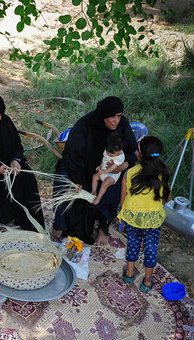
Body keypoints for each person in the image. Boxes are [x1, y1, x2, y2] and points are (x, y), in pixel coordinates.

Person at [51, 96, 137, 245]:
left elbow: (131, 152)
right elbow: (71, 155)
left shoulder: (123, 125)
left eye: (119, 116)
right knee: (62, 179)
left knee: (113, 186)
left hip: (111, 169)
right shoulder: (85, 124)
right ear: (103, 115)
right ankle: (60, 223)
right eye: (112, 117)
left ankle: (103, 228)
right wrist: (79, 181)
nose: (116, 120)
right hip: (81, 166)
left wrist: (123, 166)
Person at [0, 94, 45, 232]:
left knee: (28, 177)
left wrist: (15, 160)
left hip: (9, 165)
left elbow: (16, 146)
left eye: (0, 115)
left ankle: (27, 219)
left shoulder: (5, 122)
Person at [117, 136, 172, 293]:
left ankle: (129, 274)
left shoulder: (130, 173)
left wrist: (125, 209)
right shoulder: (163, 174)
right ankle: (147, 282)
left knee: (133, 243)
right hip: (153, 221)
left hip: (133, 218)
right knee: (151, 248)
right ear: (158, 155)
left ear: (138, 154)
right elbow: (167, 200)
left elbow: (122, 200)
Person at [91, 133, 125, 205]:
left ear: (119, 151)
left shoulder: (120, 157)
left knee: (105, 183)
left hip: (112, 174)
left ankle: (99, 197)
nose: (109, 154)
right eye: (107, 152)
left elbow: (114, 167)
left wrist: (105, 171)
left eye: (112, 153)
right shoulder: (108, 151)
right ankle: (94, 191)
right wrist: (100, 166)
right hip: (103, 169)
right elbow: (104, 159)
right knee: (94, 177)